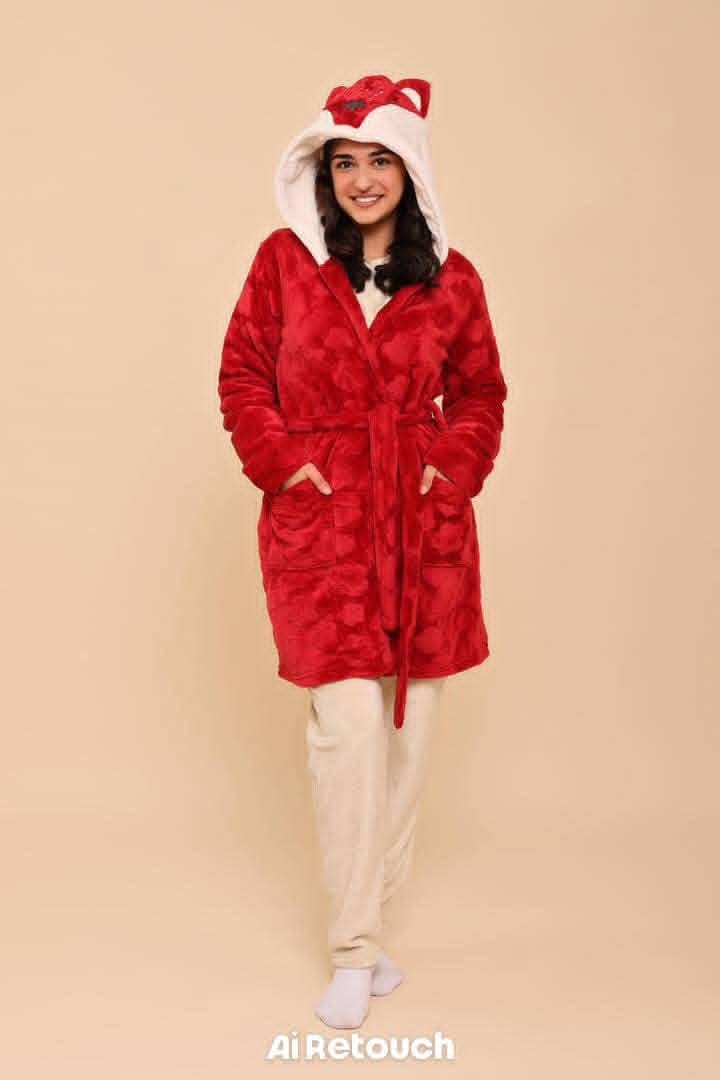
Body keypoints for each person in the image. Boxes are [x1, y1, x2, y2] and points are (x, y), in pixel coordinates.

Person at [218, 73, 508, 1029]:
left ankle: (369, 926)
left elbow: (481, 394)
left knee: (408, 745)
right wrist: (285, 464)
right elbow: (242, 375)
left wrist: (449, 470)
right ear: (324, 173)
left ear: (409, 169)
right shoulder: (284, 263)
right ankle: (352, 950)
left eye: (379, 160)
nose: (361, 180)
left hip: (423, 529)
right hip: (325, 525)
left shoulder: (453, 278)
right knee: (346, 734)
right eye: (344, 163)